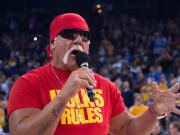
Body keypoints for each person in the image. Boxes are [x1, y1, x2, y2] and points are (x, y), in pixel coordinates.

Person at [7, 13, 180, 135]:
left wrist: (154, 112)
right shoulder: (28, 83)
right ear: (52, 43)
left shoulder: (105, 86)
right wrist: (65, 95)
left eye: (84, 36)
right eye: (69, 34)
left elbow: (126, 130)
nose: (78, 40)